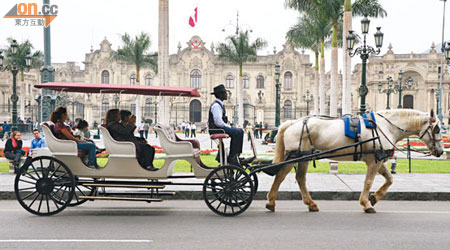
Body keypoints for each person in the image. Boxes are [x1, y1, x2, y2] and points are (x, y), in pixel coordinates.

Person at [208, 84, 244, 165]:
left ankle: (236, 155)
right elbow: (218, 122)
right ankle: (232, 156)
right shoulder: (216, 106)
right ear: (220, 94)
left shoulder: (219, 104)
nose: (226, 94)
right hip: (217, 129)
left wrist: (230, 127)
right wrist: (229, 127)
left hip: (218, 128)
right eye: (225, 93)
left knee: (240, 131)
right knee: (237, 133)